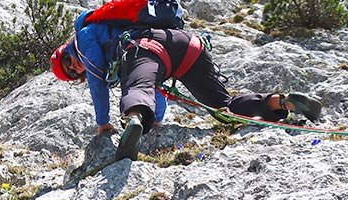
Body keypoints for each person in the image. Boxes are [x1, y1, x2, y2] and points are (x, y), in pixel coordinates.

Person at [50, 9, 323, 162]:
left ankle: (133, 119)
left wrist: (103, 124)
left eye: (68, 62)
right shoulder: (112, 41)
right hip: (187, 45)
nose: (75, 68)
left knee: (137, 86)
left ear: (67, 49)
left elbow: (98, 81)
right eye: (72, 73)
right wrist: (155, 121)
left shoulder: (84, 37)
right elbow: (156, 91)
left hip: (148, 47)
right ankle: (281, 102)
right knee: (223, 108)